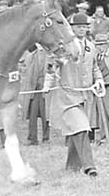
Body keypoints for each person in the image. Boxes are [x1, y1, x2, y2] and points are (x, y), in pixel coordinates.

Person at [44, 12, 105, 176]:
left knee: (76, 130)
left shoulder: (91, 47)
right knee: (81, 127)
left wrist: (98, 80)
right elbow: (54, 66)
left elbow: (95, 68)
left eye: (85, 27)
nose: (82, 30)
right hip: (68, 96)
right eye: (78, 27)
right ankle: (90, 167)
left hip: (86, 97)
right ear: (71, 29)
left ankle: (72, 167)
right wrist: (49, 79)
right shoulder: (65, 48)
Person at [20, 44, 53, 145]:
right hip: (33, 90)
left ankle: (46, 138)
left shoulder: (50, 56)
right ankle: (32, 138)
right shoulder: (30, 56)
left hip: (46, 90)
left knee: (46, 115)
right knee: (32, 115)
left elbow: (52, 71)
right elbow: (24, 71)